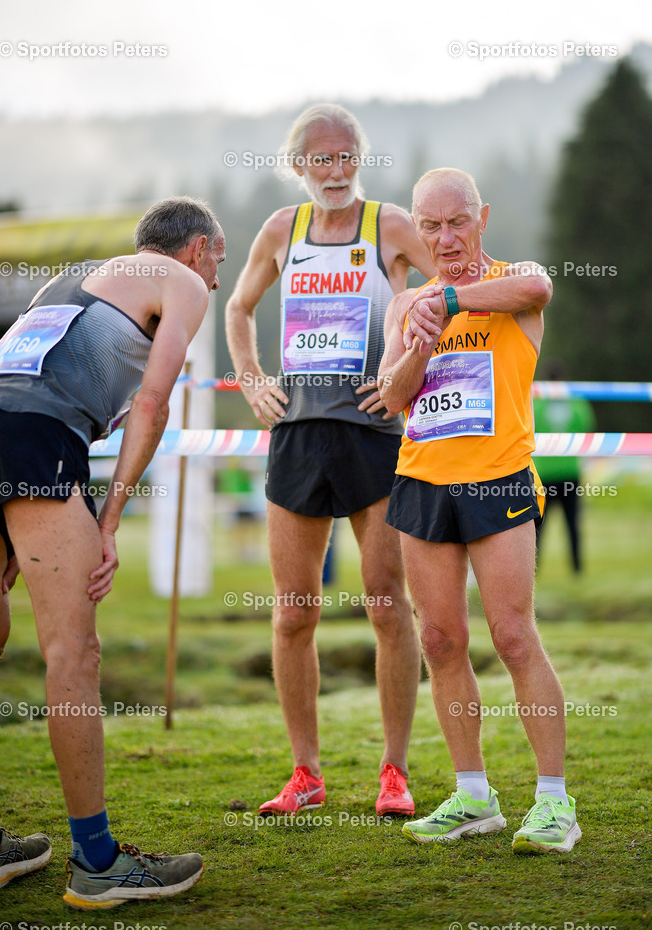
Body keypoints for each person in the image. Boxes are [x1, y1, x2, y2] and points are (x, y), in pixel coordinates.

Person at [0, 197, 226, 905]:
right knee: (72, 654)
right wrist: (108, 519)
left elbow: (16, 380)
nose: (218, 273)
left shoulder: (78, 279)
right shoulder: (178, 284)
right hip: (37, 440)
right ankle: (98, 862)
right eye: (219, 258)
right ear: (197, 249)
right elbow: (152, 404)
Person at [225, 103, 436, 817]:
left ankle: (394, 773)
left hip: (374, 434)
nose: (338, 169)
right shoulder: (281, 231)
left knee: (386, 606)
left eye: (348, 155)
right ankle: (305, 774)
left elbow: (450, 294)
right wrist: (252, 377)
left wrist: (408, 366)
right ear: (298, 167)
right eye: (322, 158)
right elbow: (237, 307)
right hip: (297, 433)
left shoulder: (391, 226)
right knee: (291, 615)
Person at [378, 168, 581, 855]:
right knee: (438, 642)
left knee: (513, 636)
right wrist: (420, 339)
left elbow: (538, 287)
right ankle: (473, 796)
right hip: (422, 483)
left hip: (497, 481)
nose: (444, 237)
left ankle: (553, 804)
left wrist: (453, 299)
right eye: (428, 226)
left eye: (456, 221)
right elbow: (390, 394)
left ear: (481, 217)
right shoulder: (405, 304)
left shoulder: (508, 281)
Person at [534, 359, 596, 573]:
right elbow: (587, 424)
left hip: (545, 473)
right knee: (573, 526)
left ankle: (534, 570)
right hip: (571, 470)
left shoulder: (536, 400)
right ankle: (577, 569)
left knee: (539, 527)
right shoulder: (575, 400)